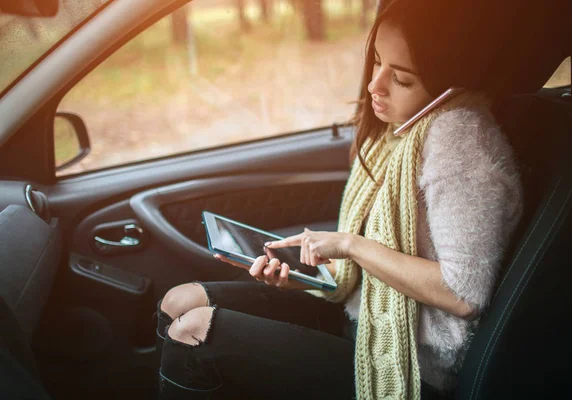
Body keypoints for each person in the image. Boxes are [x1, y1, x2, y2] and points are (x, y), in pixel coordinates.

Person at [155, 1, 524, 399]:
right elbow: (377, 266)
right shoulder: (401, 132)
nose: (374, 85)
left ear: (449, 81)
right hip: (360, 315)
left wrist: (350, 245)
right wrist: (303, 274)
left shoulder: (461, 140)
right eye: (377, 61)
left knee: (192, 333)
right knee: (178, 301)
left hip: (412, 360)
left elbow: (463, 293)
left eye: (400, 79)